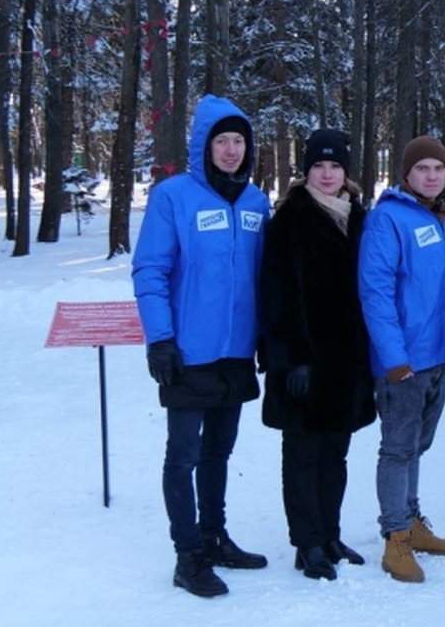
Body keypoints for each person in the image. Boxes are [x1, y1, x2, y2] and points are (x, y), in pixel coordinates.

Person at [132, 94, 270, 598]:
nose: (231, 150)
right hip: (188, 352)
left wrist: (267, 340)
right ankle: (187, 555)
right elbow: (151, 269)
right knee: (184, 454)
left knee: (219, 450)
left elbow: (262, 276)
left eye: (239, 141)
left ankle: (214, 538)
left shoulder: (255, 202)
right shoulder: (174, 197)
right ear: (203, 145)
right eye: (222, 140)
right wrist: (160, 339)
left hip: (236, 352)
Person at [259, 128, 375, 581]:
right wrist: (293, 357)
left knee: (336, 454)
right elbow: (278, 292)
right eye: (318, 166)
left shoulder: (361, 218)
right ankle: (306, 541)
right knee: (303, 453)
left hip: (348, 362)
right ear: (305, 172)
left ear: (347, 173)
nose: (327, 174)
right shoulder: (290, 219)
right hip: (305, 362)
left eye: (335, 166)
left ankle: (330, 532)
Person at [359, 136, 445, 584]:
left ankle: (412, 519)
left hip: (436, 356)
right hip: (404, 361)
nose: (431, 176)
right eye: (422, 168)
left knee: (418, 446)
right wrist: (393, 357)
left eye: (438, 169)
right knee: (399, 448)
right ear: (406, 175)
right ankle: (395, 536)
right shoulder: (388, 220)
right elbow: (376, 292)